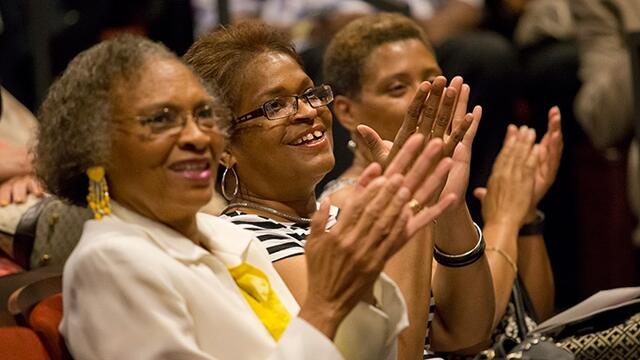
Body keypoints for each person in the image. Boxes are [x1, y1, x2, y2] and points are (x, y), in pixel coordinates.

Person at [35, 34, 457, 359]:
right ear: (96, 150)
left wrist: (356, 288)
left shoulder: (227, 240)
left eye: (204, 115)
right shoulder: (110, 261)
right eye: (162, 120)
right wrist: (326, 304)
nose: (198, 136)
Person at [185, 20, 495, 359]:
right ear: (224, 145)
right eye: (275, 105)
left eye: (307, 94)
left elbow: (468, 337)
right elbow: (396, 354)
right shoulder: (244, 241)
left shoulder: (343, 218)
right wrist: (412, 195)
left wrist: (449, 204)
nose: (307, 111)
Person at [322, 13, 561, 355]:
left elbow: (534, 322)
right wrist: (504, 220)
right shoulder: (348, 203)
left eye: (433, 80)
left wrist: (526, 216)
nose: (429, 98)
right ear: (345, 112)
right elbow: (470, 330)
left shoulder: (441, 179)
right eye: (398, 88)